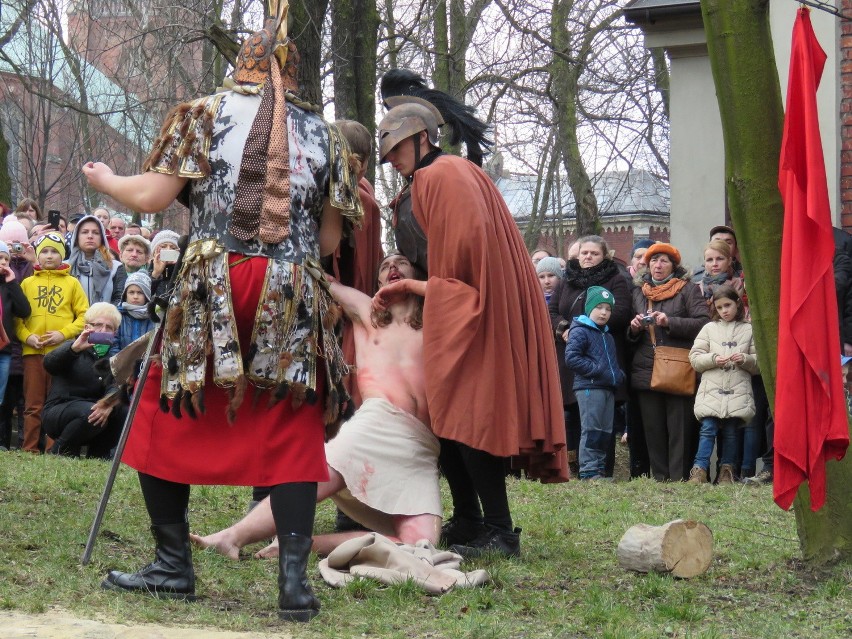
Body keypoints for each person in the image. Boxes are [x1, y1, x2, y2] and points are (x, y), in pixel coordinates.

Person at [82, 8, 362, 621]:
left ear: (241, 62)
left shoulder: (202, 114)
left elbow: (152, 196)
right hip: (289, 286)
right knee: (292, 424)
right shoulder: (326, 135)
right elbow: (331, 242)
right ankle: (293, 585)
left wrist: (106, 181)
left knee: (163, 405)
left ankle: (173, 565)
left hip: (216, 281)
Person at [376, 95, 567, 559]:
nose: (394, 163)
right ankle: (469, 520)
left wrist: (419, 290)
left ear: (422, 138)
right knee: (446, 421)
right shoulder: (439, 176)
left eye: (398, 151)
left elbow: (466, 277)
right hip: (458, 308)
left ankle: (501, 531)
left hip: (470, 315)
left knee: (466, 419)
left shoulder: (443, 175)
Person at [191, 252, 441, 558]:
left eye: (402, 262)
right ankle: (232, 537)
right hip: (377, 423)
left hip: (421, 444)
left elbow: (466, 298)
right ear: (377, 281)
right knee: (313, 477)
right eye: (385, 265)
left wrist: (413, 287)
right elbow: (320, 280)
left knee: (421, 546)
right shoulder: (368, 312)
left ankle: (301, 544)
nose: (393, 268)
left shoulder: (437, 321)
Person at [549, 236, 631, 478]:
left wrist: (585, 327)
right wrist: (564, 328)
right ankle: (575, 469)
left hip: (600, 355)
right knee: (572, 415)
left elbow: (622, 311)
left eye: (594, 253)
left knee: (601, 420)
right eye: (584, 252)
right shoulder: (566, 280)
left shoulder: (615, 279)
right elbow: (551, 310)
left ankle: (601, 469)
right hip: (570, 357)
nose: (588, 257)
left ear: (604, 256)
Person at [628, 242, 709, 481]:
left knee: (679, 428)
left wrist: (669, 321)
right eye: (653, 260)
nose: (658, 265)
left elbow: (703, 323)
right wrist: (633, 329)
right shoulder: (639, 291)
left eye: (663, 260)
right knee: (653, 429)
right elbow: (628, 335)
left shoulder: (688, 290)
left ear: (673, 265)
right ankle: (660, 478)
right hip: (646, 367)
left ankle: (679, 478)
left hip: (678, 367)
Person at [14, 233, 89, 453]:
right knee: (33, 404)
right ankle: (29, 448)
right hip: (33, 353)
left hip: (62, 354)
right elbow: (17, 319)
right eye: (44, 251)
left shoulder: (72, 283)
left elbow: (84, 317)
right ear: (37, 256)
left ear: (63, 255)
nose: (49, 256)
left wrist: (63, 334)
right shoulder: (27, 283)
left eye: (54, 251)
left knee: (55, 402)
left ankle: (52, 449)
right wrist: (28, 337)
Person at [687, 286, 759, 484]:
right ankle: (699, 469)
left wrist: (745, 359)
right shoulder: (709, 329)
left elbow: (758, 363)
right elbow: (694, 357)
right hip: (711, 391)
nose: (724, 311)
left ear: (737, 303)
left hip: (737, 391)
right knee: (707, 429)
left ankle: (727, 471)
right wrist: (713, 359)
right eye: (719, 307)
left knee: (731, 432)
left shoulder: (749, 330)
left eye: (728, 305)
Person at [42, 302, 127, 458]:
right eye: (98, 325)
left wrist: (108, 404)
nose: (103, 330)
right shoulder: (72, 347)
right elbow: (49, 364)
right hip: (59, 411)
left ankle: (99, 455)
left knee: (122, 409)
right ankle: (60, 451)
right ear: (87, 327)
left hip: (93, 413)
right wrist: (74, 349)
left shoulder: (112, 360)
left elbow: (115, 386)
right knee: (89, 411)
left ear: (114, 333)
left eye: (109, 327)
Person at [564, 286, 624, 480]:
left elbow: (610, 360)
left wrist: (618, 374)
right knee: (591, 429)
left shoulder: (607, 335)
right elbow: (572, 358)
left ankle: (598, 469)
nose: (604, 312)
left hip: (607, 387)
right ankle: (588, 470)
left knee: (605, 431)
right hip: (589, 387)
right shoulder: (580, 330)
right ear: (589, 308)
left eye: (608, 309)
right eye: (599, 307)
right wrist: (598, 370)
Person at [0, 217, 34, 450]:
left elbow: (24, 310)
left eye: (6, 258)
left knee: (2, 398)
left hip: (5, 349)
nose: (3, 262)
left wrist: (12, 283)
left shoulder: (9, 284)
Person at [67, 215, 126, 306]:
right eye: (85, 232)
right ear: (76, 237)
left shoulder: (116, 267)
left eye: (96, 233)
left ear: (102, 237)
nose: (90, 236)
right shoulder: (65, 267)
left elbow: (120, 299)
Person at [112, 271, 154, 353]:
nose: (135, 297)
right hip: (121, 362)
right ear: (125, 294)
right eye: (131, 292)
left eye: (140, 293)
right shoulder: (117, 315)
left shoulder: (153, 317)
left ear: (146, 295)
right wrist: (120, 362)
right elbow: (113, 343)